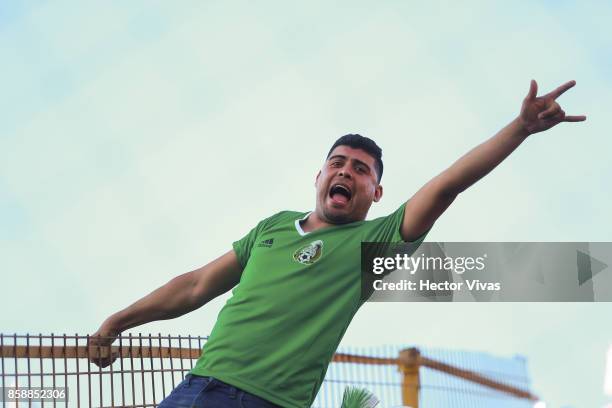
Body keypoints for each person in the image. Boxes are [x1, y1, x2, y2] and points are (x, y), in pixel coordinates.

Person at [89, 80, 586, 407]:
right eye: (338, 162)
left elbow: (449, 182)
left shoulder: (377, 243)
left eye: (361, 169)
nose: (347, 170)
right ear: (319, 174)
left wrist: (520, 128)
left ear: (376, 192)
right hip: (195, 389)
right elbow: (195, 285)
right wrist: (117, 321)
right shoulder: (273, 227)